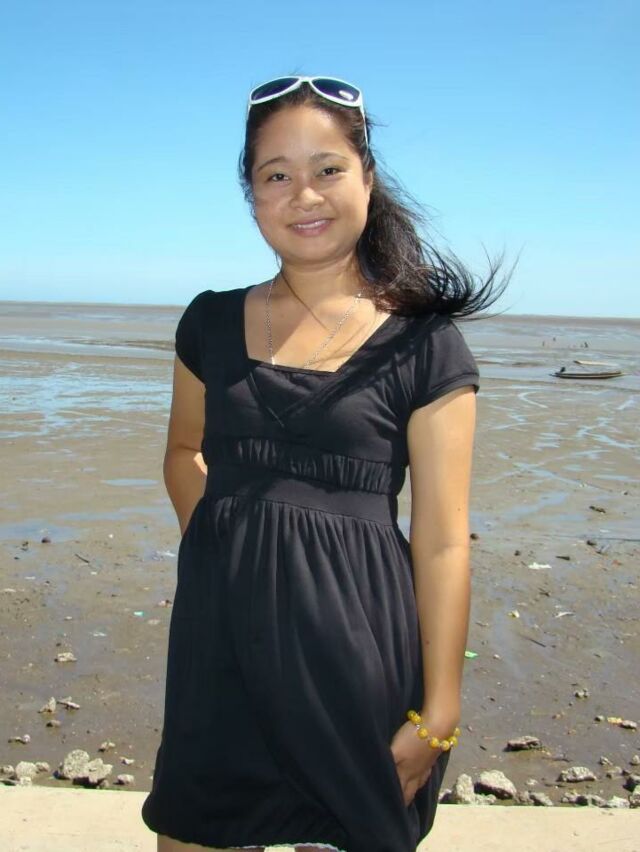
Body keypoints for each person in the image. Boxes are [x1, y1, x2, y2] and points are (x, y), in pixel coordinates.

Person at [141, 75, 509, 852]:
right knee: (192, 833)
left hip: (357, 657)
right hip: (220, 652)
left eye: (328, 168)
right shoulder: (208, 322)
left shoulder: (426, 345)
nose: (303, 194)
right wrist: (226, 546)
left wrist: (440, 712)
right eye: (276, 174)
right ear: (251, 193)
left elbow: (444, 540)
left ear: (367, 179)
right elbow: (182, 452)